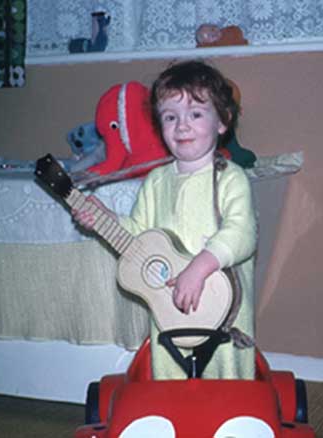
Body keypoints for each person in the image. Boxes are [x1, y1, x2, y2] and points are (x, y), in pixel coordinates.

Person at [72, 60, 258, 380]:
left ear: (223, 122)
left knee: (225, 383)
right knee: (170, 384)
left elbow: (242, 232)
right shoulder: (156, 181)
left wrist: (199, 267)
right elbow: (137, 237)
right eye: (170, 117)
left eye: (196, 114)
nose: (181, 126)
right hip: (168, 310)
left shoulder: (230, 178)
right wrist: (103, 220)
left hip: (221, 309)